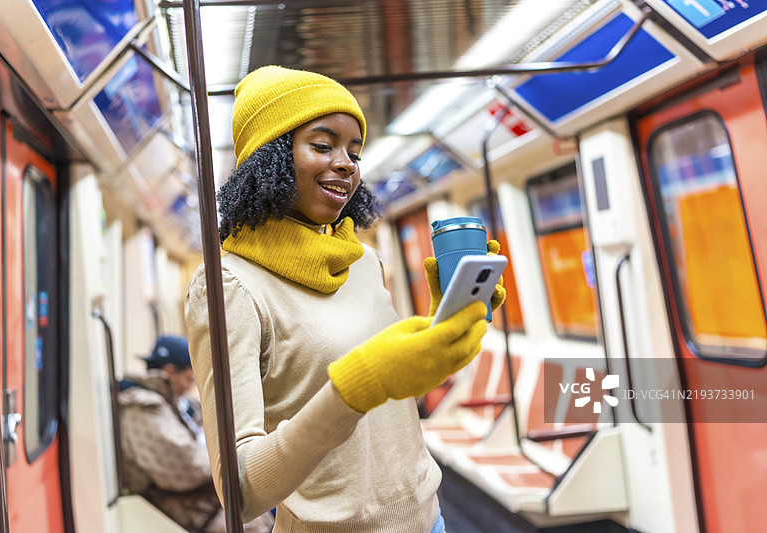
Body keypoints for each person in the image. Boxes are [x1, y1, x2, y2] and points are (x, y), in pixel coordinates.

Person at [185, 65, 505, 533]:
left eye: (354, 152)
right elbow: (239, 490)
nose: (346, 164)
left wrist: (444, 327)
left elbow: (388, 403)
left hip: (429, 518)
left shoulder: (364, 262)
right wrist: (355, 387)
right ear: (270, 156)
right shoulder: (228, 286)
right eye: (322, 145)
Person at [119, 335, 274, 533]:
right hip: (192, 507)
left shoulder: (177, 403)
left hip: (203, 503)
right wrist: (240, 461)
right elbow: (188, 466)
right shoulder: (143, 408)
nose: (190, 387)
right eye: (188, 379)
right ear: (169, 372)